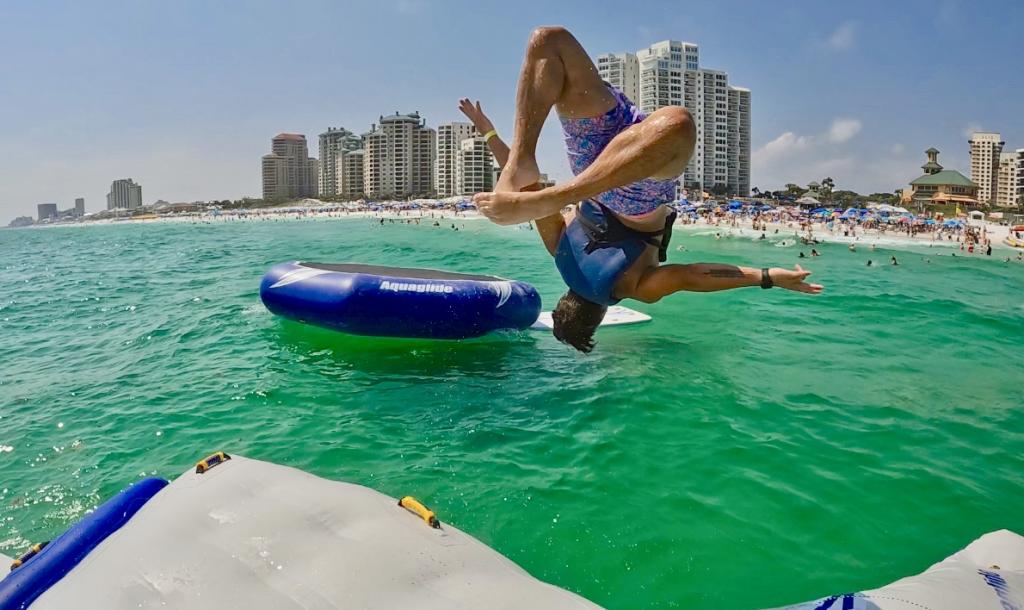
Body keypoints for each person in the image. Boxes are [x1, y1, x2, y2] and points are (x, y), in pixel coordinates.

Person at [460, 26, 822, 352]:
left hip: (634, 193)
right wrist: (488, 132)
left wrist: (768, 277)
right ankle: (528, 155)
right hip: (591, 156)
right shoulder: (559, 251)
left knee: (677, 124)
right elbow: (526, 184)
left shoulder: (633, 288)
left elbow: (693, 275)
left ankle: (561, 192)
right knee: (548, 41)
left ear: (600, 315)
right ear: (563, 301)